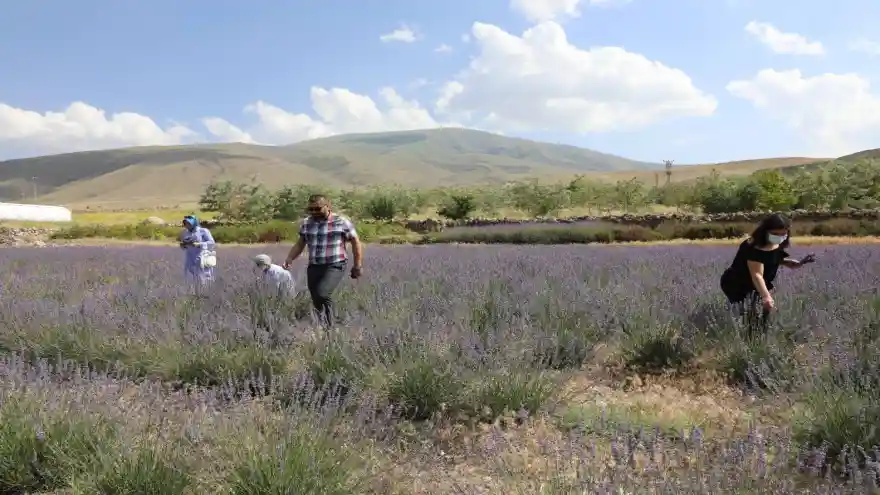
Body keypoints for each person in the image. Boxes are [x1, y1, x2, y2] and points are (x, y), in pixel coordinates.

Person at [720, 213, 815, 335]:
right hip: (738, 284)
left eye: (783, 234)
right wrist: (766, 296)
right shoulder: (753, 247)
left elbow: (771, 258)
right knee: (750, 315)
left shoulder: (775, 243)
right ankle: (748, 339)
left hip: (757, 284)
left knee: (764, 314)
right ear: (765, 231)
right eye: (775, 234)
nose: (779, 237)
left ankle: (760, 337)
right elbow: (757, 274)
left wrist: (792, 263)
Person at [282, 195, 363, 326]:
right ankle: (323, 325)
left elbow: (355, 242)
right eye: (311, 209)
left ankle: (331, 325)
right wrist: (290, 258)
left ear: (328, 206)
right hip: (314, 265)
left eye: (318, 209)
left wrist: (357, 265)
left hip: (335, 264)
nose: (314, 212)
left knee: (323, 293)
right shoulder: (307, 223)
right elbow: (300, 243)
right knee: (316, 298)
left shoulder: (341, 222)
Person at [179, 215, 217, 286]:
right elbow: (184, 245)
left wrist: (199, 244)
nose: (187, 225)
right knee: (190, 277)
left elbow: (212, 243)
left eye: (189, 223)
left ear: (194, 223)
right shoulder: (185, 232)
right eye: (185, 223)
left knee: (204, 277)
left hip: (202, 257)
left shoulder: (203, 231)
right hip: (190, 258)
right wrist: (183, 245)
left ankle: (206, 291)